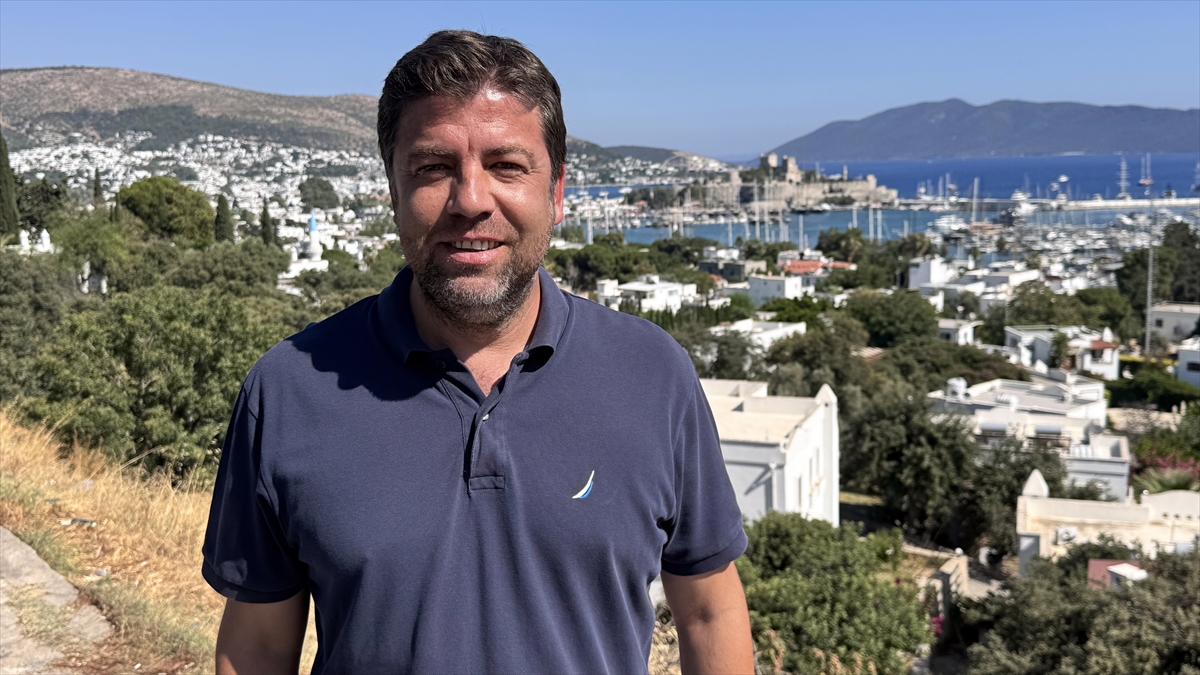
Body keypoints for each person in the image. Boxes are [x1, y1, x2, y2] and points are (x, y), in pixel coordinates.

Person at [203, 30, 753, 675]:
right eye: (433, 168)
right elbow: (258, 645)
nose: (470, 200)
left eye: (507, 166)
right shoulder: (288, 389)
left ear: (556, 191)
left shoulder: (652, 374)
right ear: (393, 191)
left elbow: (709, 612)